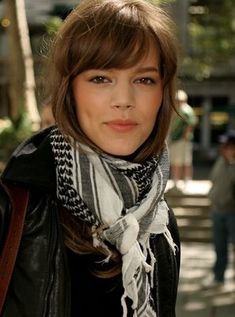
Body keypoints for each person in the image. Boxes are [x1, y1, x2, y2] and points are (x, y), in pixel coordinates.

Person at [0, 0, 180, 316]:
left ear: (162, 94)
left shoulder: (160, 223)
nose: (124, 100)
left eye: (144, 79)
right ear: (70, 91)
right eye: (100, 78)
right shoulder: (14, 209)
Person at [204, 131, 235, 287]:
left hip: (232, 213)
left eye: (228, 146)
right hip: (217, 211)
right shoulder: (220, 162)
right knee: (219, 247)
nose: (224, 148)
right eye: (224, 146)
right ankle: (218, 277)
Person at [168, 89, 197, 192]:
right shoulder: (177, 109)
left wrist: (185, 136)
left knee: (183, 161)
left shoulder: (186, 110)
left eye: (178, 100)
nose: (176, 101)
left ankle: (185, 182)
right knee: (177, 161)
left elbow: (191, 123)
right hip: (176, 140)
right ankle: (177, 182)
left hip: (182, 140)